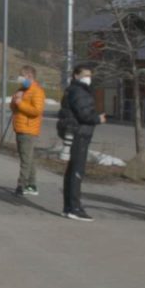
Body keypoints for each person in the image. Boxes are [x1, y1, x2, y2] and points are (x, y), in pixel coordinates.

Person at [57, 64, 106, 222]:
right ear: (76, 75)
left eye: (90, 75)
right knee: (77, 172)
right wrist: (98, 118)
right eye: (85, 75)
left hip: (75, 132)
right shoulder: (79, 91)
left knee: (72, 170)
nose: (88, 78)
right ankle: (75, 208)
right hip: (80, 133)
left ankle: (68, 207)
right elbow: (84, 114)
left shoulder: (72, 90)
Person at [10, 66, 45, 197]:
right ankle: (32, 184)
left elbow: (37, 110)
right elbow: (13, 108)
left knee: (25, 160)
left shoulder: (37, 91)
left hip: (29, 129)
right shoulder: (22, 89)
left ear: (30, 76)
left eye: (22, 75)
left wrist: (20, 103)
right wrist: (15, 100)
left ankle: (21, 185)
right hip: (19, 127)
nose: (20, 78)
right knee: (28, 157)